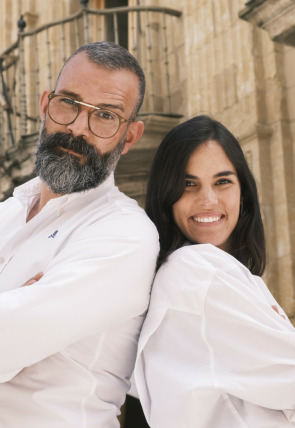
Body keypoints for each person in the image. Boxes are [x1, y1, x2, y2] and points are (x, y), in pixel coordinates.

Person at [0, 41, 159, 427]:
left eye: (105, 115)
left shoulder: (125, 234)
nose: (77, 128)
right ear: (44, 105)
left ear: (130, 136)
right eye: (68, 103)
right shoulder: (7, 212)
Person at [134, 115, 295, 427]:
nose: (208, 200)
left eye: (222, 181)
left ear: (243, 192)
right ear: (166, 195)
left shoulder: (199, 275)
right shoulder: (195, 272)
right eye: (188, 184)